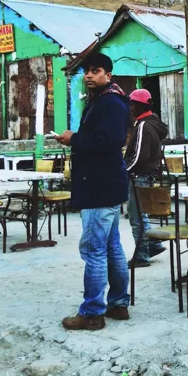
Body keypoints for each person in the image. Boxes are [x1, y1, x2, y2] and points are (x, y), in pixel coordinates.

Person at [55, 52, 131, 330]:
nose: (89, 75)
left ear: (108, 75)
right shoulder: (107, 100)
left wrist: (73, 138)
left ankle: (92, 312)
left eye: (95, 71)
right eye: (87, 71)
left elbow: (108, 140)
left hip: (100, 186)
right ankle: (119, 304)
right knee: (112, 247)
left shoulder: (110, 102)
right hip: (106, 184)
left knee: (94, 250)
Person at [124, 89, 169, 268]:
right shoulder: (152, 124)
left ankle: (141, 256)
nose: (130, 108)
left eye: (132, 104)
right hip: (146, 175)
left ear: (140, 105)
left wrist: (124, 170)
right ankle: (154, 245)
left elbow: (139, 156)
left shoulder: (143, 125)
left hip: (139, 176)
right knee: (141, 215)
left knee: (136, 218)